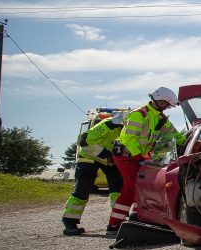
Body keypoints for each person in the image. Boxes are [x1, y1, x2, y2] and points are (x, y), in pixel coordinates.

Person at [108, 87, 186, 234]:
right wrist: (140, 157)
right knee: (131, 188)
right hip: (125, 155)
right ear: (161, 101)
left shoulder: (160, 118)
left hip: (139, 157)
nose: (168, 108)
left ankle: (137, 217)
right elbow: (129, 139)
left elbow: (173, 134)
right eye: (168, 105)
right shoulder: (139, 114)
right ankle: (113, 225)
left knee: (141, 186)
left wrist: (186, 141)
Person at [61, 111, 125, 235]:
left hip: (108, 160)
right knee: (83, 189)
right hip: (89, 157)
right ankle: (70, 222)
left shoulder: (127, 130)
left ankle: (117, 221)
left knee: (118, 189)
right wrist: (108, 155)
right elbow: (85, 141)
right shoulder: (108, 124)